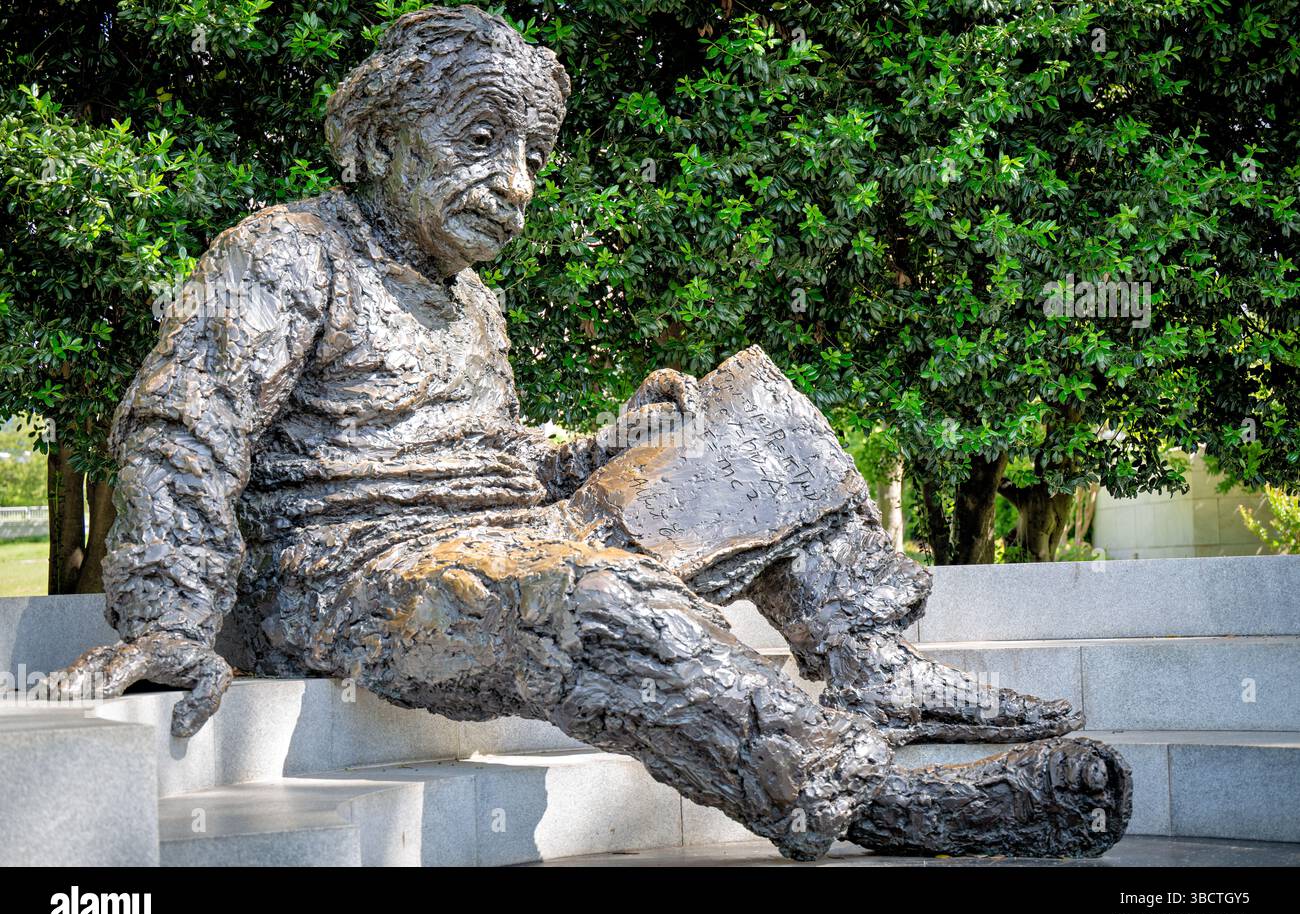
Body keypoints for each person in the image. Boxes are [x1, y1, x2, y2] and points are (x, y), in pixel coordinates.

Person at [46, 5, 1129, 861]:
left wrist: (605, 444)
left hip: (494, 544)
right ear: (375, 140)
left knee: (751, 418)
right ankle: (875, 797)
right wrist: (170, 616)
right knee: (577, 590)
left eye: (531, 153)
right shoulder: (284, 252)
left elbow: (487, 461)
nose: (516, 183)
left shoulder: (473, 301)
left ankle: (871, 662)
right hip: (344, 581)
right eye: (479, 140)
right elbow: (182, 426)